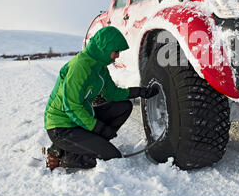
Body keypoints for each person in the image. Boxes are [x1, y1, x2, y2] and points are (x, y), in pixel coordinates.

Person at [43, 26, 158, 170]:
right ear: (105, 48)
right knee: (112, 157)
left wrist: (139, 92)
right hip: (62, 126)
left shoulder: (100, 67)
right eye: (116, 51)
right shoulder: (80, 67)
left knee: (124, 106)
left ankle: (90, 144)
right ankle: (63, 155)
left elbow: (111, 93)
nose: (117, 55)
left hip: (80, 119)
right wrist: (98, 128)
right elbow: (71, 107)